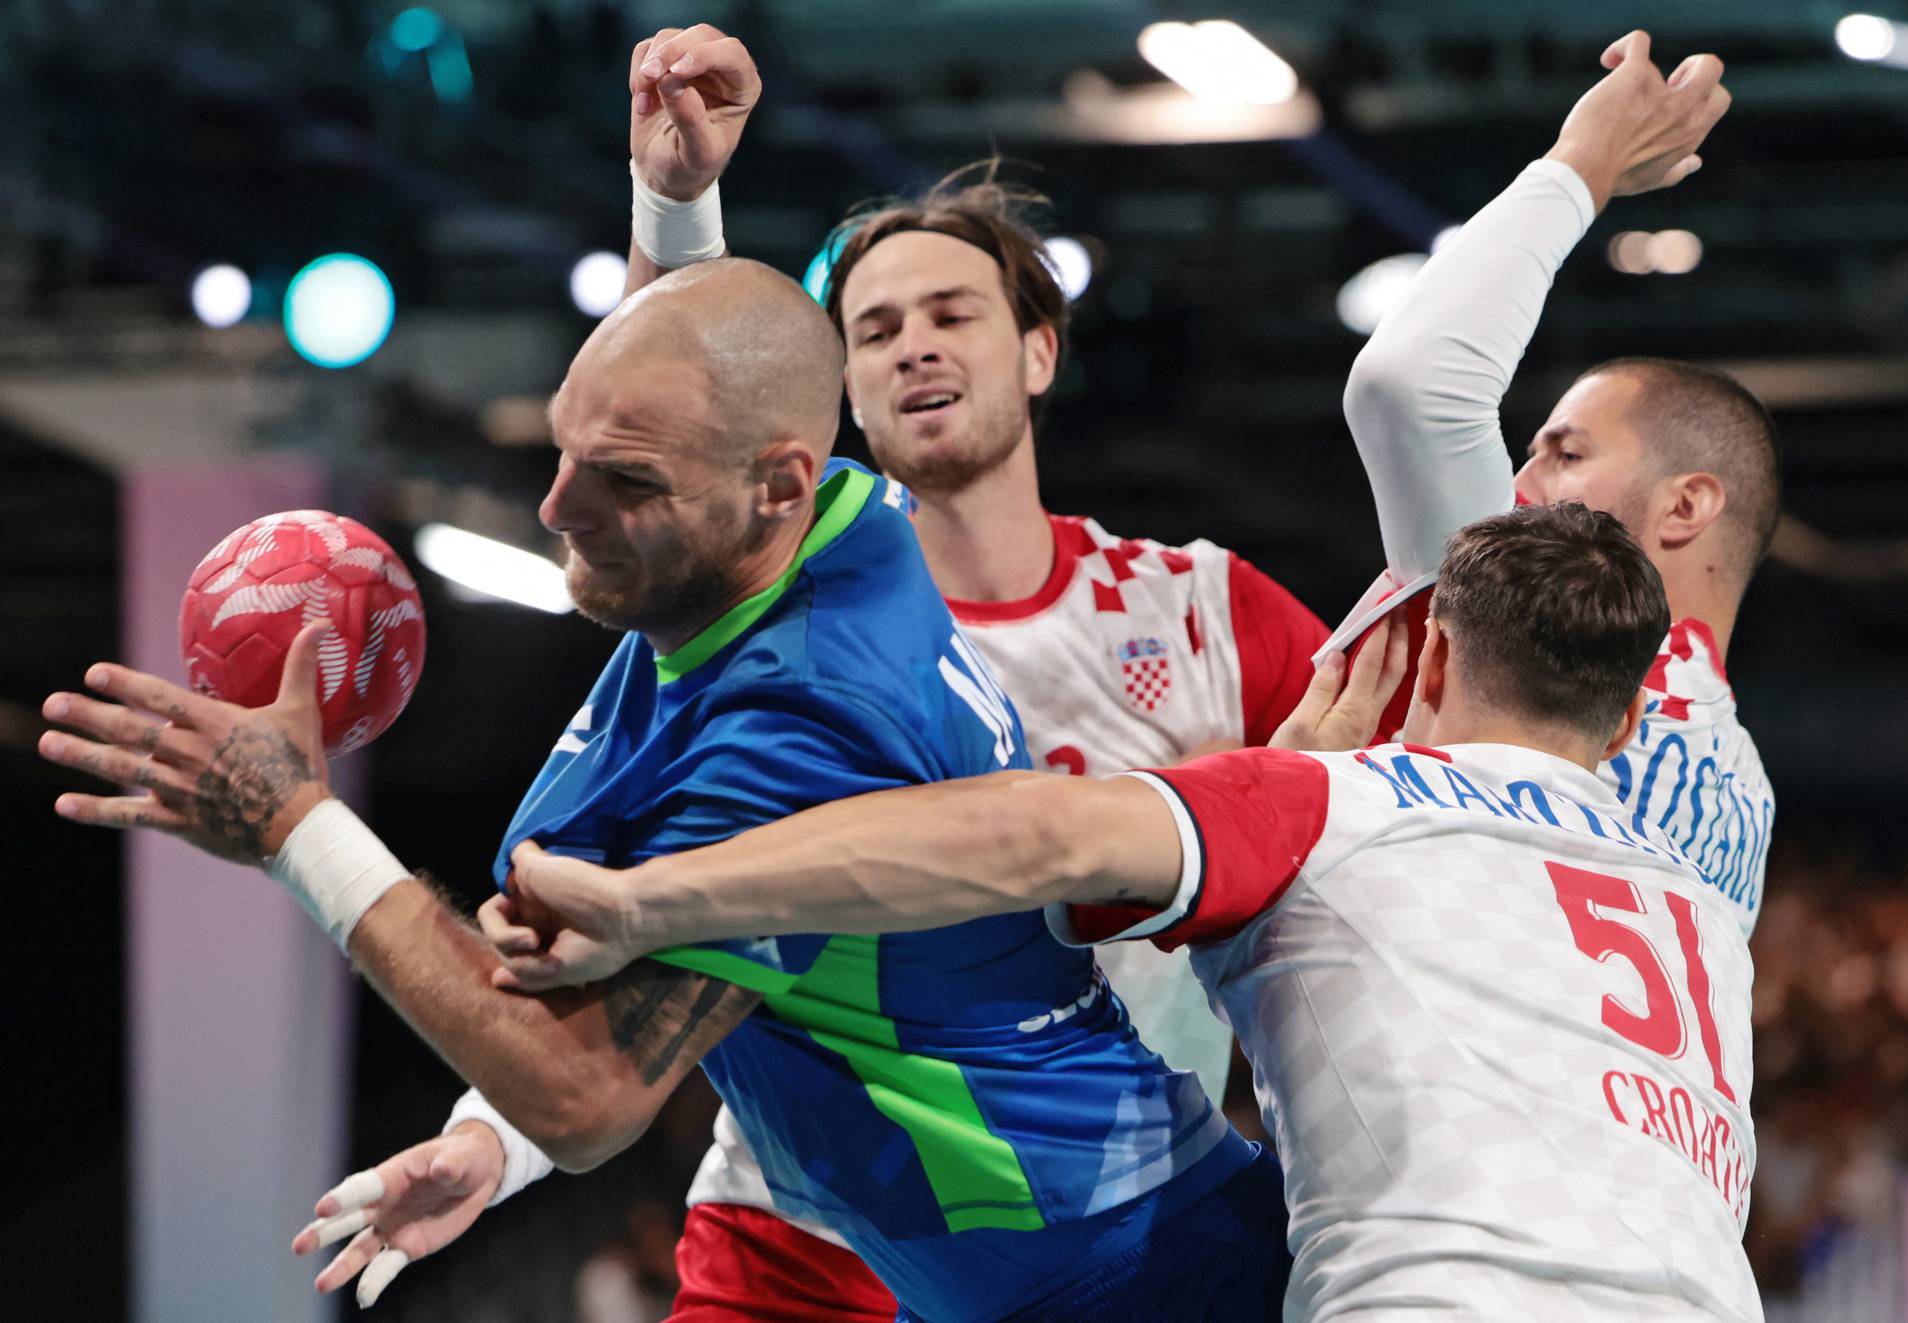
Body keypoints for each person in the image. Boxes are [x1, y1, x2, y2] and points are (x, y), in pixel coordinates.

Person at [39, 261, 1289, 1320]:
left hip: (1125, 1277)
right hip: (1003, 1263)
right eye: (569, 446)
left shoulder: (811, 725)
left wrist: (295, 827)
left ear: (779, 488)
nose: (558, 506)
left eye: (621, 483)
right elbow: (712, 382)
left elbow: (587, 1097)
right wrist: (492, 1133)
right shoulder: (838, 525)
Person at [344, 22, 1329, 1320]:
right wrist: (493, 1132)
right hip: (802, 1230)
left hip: (1099, 1211)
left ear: (1039, 352)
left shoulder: (1206, 610)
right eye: (873, 329)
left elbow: (1369, 843)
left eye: (951, 312)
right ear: (833, 407)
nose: (914, 344)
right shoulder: (797, 612)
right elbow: (693, 393)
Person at [498, 501, 1764, 1322]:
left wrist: (649, 901)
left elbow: (1024, 833)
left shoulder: (1345, 801)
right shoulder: (1698, 910)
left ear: (1428, 661)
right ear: (1621, 717)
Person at [1333, 30, 1773, 931]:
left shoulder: (1544, 640)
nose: (1520, 480)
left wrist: (1584, 162)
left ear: (1686, 505)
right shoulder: (1743, 784)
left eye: (1564, 453)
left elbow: (1408, 386)